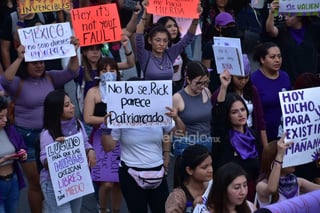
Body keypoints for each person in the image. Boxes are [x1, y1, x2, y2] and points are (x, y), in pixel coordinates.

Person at [0, 38, 80, 213]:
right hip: (27, 137)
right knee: (36, 182)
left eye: (41, 62)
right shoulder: (18, 82)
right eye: (34, 62)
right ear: (27, 64)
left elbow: (73, 72)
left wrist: (74, 51)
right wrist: (19, 57)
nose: (39, 66)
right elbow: (5, 80)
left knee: (54, 179)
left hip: (51, 136)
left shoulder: (51, 77)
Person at [100, 105, 185, 213]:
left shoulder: (158, 112)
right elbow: (108, 147)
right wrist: (106, 127)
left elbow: (181, 134)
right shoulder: (122, 116)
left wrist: (176, 118)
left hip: (157, 173)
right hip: (130, 174)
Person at [39, 89, 96, 212]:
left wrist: (90, 150)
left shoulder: (77, 123)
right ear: (56, 110)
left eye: (70, 103)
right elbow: (44, 161)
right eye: (67, 105)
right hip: (54, 186)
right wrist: (56, 149)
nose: (73, 106)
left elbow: (85, 143)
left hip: (75, 182)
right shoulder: (47, 134)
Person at [83, 57, 122, 213]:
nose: (108, 73)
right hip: (100, 138)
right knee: (107, 182)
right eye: (104, 70)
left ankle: (116, 210)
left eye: (112, 70)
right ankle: (103, 208)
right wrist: (105, 120)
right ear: (98, 73)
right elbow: (87, 118)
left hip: (121, 137)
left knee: (118, 181)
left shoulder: (124, 89)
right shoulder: (93, 92)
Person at [211, 54, 268, 149]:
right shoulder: (221, 92)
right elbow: (217, 113)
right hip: (231, 139)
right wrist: (224, 87)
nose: (243, 81)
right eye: (239, 78)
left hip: (251, 135)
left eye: (246, 77)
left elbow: (260, 119)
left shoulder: (252, 90)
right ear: (231, 76)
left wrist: (265, 146)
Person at [136, 0, 201, 80]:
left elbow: (188, 38)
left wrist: (196, 17)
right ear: (150, 40)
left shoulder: (170, 54)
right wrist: (145, 12)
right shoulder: (145, 55)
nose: (161, 44)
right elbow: (139, 36)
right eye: (158, 40)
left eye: (165, 41)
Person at [212, 93, 260, 201]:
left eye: (243, 110)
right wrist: (224, 87)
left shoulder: (253, 135)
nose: (240, 114)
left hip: (252, 191)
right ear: (227, 115)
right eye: (234, 112)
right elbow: (217, 117)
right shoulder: (222, 138)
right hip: (229, 194)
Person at [255, 136, 320, 208]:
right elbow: (272, 189)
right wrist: (280, 155)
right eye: (288, 157)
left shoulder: (297, 181)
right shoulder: (261, 185)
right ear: (274, 161)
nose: (293, 161)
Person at [265, 0, 320, 83]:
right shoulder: (283, 30)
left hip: (310, 79)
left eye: (290, 16)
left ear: (299, 17)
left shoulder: (313, 29)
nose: (286, 18)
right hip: (291, 79)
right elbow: (270, 30)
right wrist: (272, 13)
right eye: (285, 15)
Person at [250, 42, 291, 142]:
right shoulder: (254, 80)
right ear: (262, 59)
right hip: (263, 136)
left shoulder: (285, 76)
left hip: (284, 134)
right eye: (272, 57)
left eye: (279, 56)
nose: (277, 60)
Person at [172, 61, 212, 156]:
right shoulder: (177, 98)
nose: (202, 86)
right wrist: (176, 119)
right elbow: (171, 128)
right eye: (198, 83)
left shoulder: (206, 91)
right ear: (188, 80)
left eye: (205, 82)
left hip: (207, 141)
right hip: (186, 144)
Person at [165, 144, 213, 213]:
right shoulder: (178, 197)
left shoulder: (212, 186)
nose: (210, 170)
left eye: (211, 164)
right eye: (204, 167)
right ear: (189, 170)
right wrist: (195, 209)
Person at [202, 12, 242, 92]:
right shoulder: (210, 45)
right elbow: (206, 69)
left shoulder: (237, 44)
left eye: (231, 25)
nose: (230, 28)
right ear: (217, 27)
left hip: (233, 87)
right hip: (215, 86)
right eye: (226, 25)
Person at [0, 96, 27, 213]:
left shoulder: (10, 130)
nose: (5, 120)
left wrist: (23, 153)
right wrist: (3, 160)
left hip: (13, 180)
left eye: (5, 115)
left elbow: (21, 145)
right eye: (0, 117)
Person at [156, 16, 190, 94]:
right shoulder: (157, 48)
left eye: (175, 26)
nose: (174, 29)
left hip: (178, 86)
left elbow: (189, 36)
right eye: (169, 26)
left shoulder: (178, 46)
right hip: (162, 88)